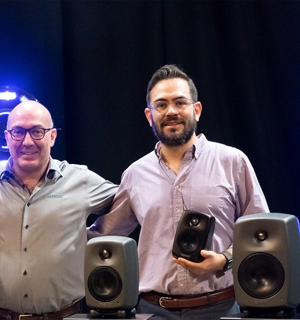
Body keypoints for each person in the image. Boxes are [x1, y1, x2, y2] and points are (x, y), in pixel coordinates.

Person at [88, 64, 270, 320]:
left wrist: (225, 259)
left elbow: (262, 235)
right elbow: (102, 234)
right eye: (161, 105)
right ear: (149, 115)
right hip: (152, 311)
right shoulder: (134, 174)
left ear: (196, 110)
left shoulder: (233, 162)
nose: (171, 111)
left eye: (180, 102)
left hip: (221, 308)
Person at [0, 100, 118, 319]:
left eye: (37, 131)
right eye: (18, 132)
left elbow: (131, 201)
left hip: (65, 316)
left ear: (52, 136)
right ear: (7, 136)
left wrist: (96, 234)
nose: (27, 141)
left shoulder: (80, 180)